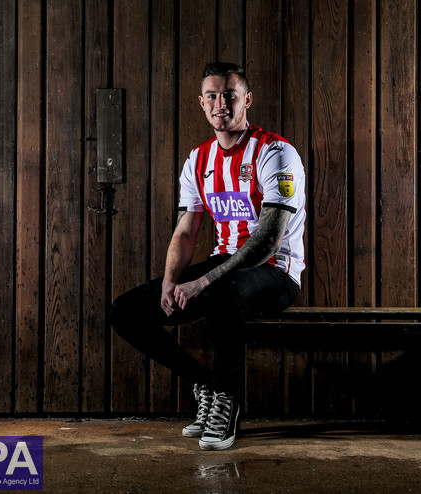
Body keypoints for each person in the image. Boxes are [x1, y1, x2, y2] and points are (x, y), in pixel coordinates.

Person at [109, 62, 306, 451]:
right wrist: (170, 281)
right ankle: (208, 384)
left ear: (247, 100)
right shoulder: (198, 160)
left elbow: (268, 240)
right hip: (223, 269)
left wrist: (204, 281)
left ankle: (228, 401)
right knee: (125, 311)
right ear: (202, 103)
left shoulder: (275, 152)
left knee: (219, 290)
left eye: (230, 95)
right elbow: (185, 232)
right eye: (212, 96)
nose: (221, 104)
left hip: (275, 272)